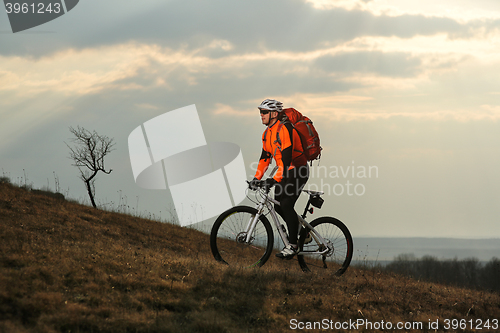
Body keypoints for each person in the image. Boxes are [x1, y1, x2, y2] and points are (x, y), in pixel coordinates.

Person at [249, 99, 309, 260]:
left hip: (298, 170)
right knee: (278, 207)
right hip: (284, 171)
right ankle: (301, 233)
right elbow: (265, 158)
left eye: (264, 112)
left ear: (274, 114)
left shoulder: (285, 128)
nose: (261, 115)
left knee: (286, 204)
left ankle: (293, 245)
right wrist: (257, 178)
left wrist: (273, 179)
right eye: (260, 112)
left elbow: (287, 159)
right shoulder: (267, 133)